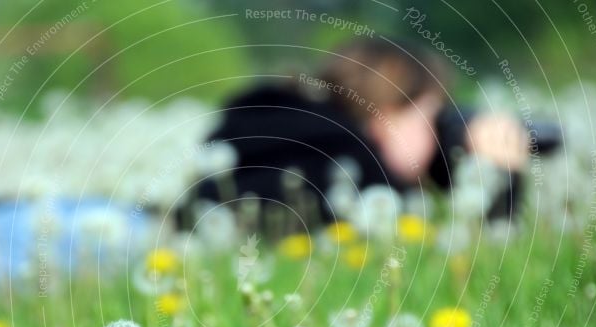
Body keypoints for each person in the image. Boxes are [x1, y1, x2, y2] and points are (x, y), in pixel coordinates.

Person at [195, 38, 560, 229]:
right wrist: (497, 179)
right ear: (386, 115)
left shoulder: (279, 125)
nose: (441, 135)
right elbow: (477, 244)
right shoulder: (344, 159)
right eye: (432, 114)